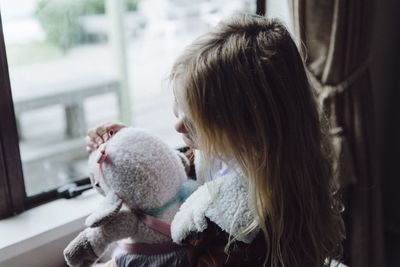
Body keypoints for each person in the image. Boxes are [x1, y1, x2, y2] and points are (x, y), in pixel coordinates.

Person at [86, 13, 345, 267]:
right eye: (178, 111)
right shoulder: (235, 152)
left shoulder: (255, 221)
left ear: (247, 126)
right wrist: (133, 149)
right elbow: (183, 181)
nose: (177, 126)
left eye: (194, 121)